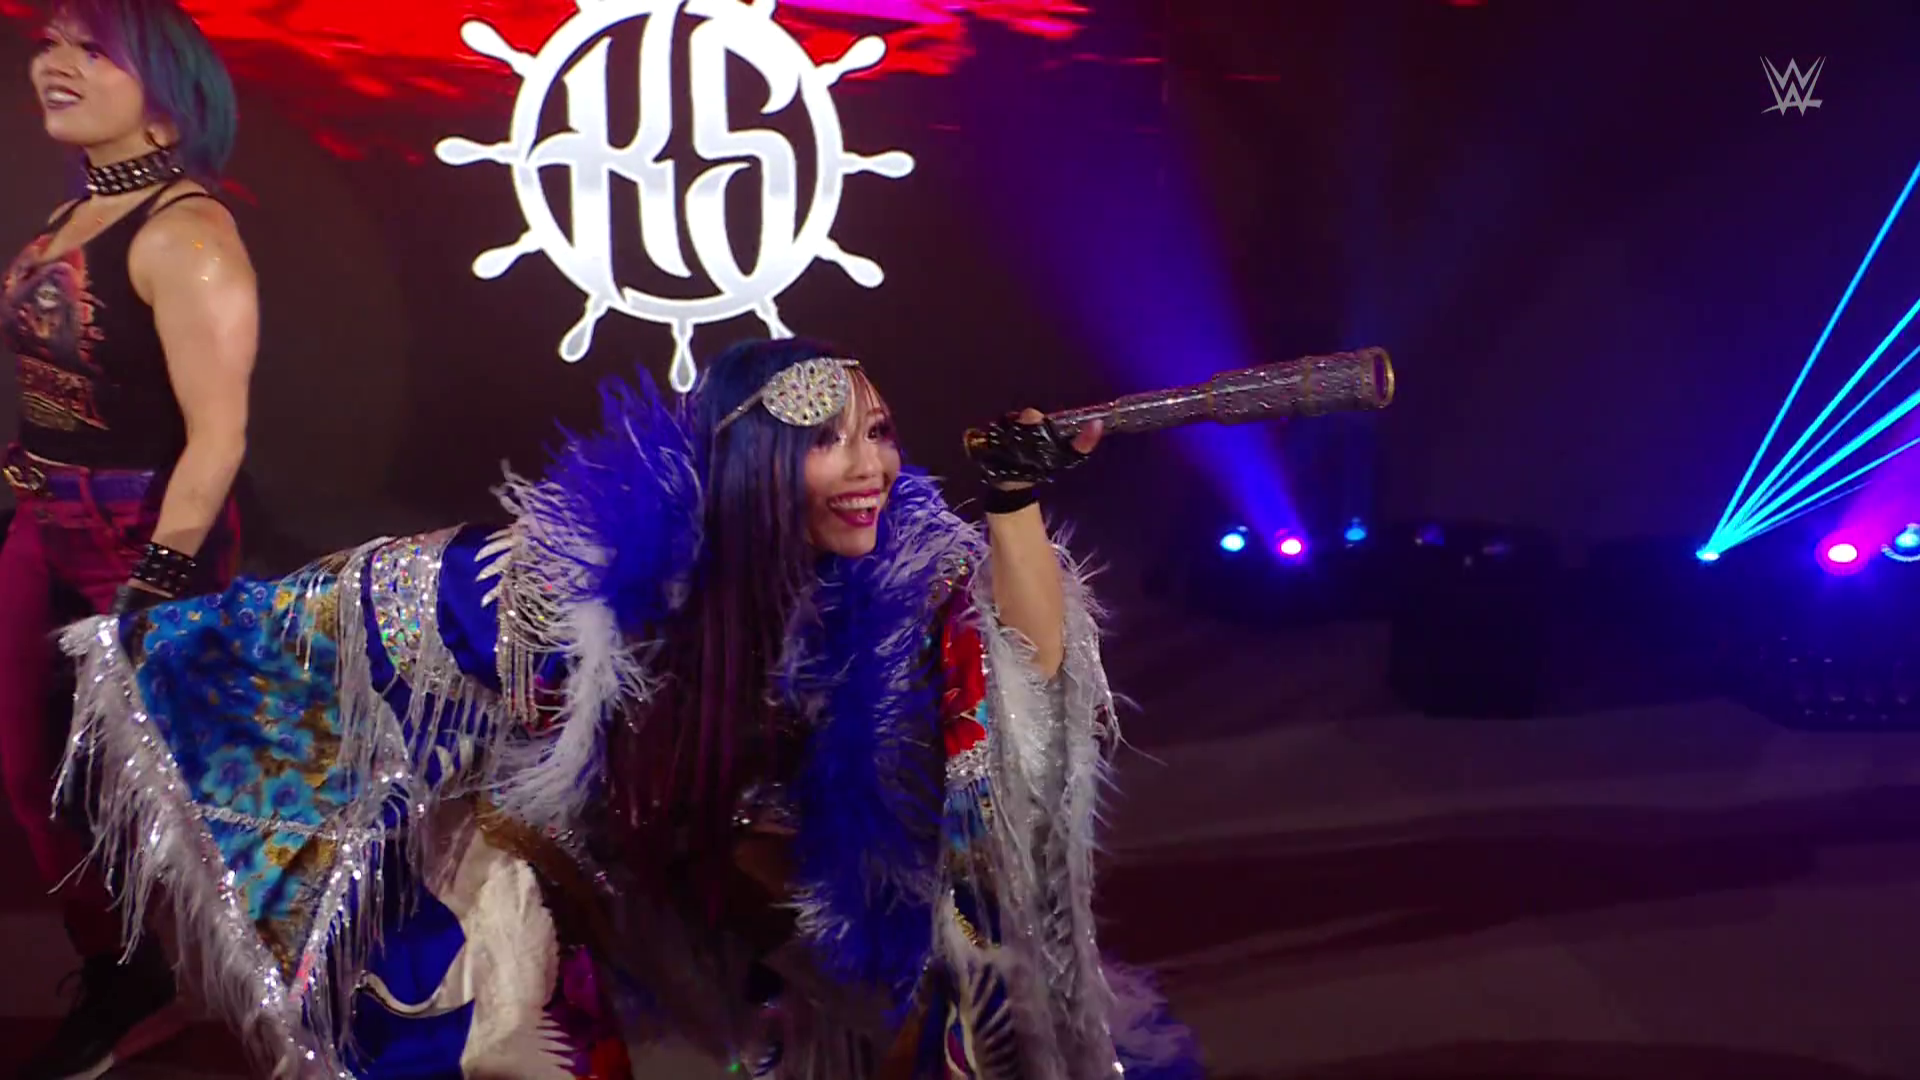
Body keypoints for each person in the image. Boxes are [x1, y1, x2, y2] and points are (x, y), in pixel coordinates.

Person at [56, 338, 1197, 1078]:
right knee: (487, 1003)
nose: (873, 468)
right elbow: (359, 615)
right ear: (751, 463)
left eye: (882, 431)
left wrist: (1012, 499)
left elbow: (1025, 679)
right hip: (583, 866)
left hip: (785, 891)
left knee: (972, 1004)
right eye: (828, 440)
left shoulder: (905, 570)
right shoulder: (580, 580)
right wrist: (156, 638)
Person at [0, 0, 254, 1076]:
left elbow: (218, 436)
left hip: (137, 540)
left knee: (193, 794)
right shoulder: (72, 218)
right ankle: (125, 975)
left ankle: (335, 999)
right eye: (47, 43)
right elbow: (57, 404)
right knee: (30, 778)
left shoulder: (187, 235)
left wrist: (153, 586)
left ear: (166, 90)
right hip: (42, 528)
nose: (53, 65)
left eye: (90, 48)